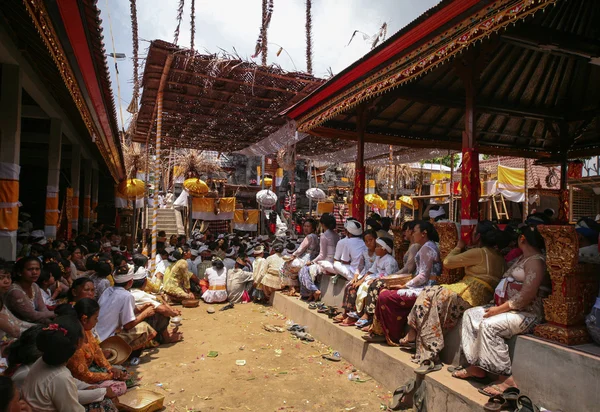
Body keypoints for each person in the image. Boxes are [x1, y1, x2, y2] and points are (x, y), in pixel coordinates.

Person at [454, 224, 548, 396]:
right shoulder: (522, 259)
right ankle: (476, 366)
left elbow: (526, 296)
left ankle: (504, 378)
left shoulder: (536, 262)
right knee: (470, 315)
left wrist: (498, 310)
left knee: (489, 325)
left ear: (522, 239)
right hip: (506, 309)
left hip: (526, 313)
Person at [401, 221, 508, 368]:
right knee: (430, 294)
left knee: (430, 297)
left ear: (478, 237)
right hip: (482, 294)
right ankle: (418, 338)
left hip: (469, 291)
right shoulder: (499, 257)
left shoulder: (479, 252)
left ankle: (428, 349)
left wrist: (458, 247)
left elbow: (448, 262)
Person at [363, 221, 441, 337]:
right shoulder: (426, 246)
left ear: (423, 233)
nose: (413, 234)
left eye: (415, 231)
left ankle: (387, 333)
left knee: (385, 295)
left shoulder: (427, 248)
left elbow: (423, 276)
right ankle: (379, 329)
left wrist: (405, 285)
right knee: (384, 292)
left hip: (426, 287)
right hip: (421, 284)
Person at [21, 317, 87, 411]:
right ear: (79, 342)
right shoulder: (61, 376)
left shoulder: (41, 360)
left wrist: (89, 388)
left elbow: (67, 387)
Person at [66, 299, 128, 395]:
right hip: (80, 380)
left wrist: (110, 368)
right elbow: (85, 376)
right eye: (95, 318)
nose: (97, 321)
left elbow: (97, 351)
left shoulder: (86, 330)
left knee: (122, 371)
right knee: (118, 385)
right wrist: (111, 375)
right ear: (84, 319)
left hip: (92, 369)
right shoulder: (76, 342)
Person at [96, 266, 157, 351]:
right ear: (130, 282)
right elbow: (128, 325)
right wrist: (145, 313)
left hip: (97, 337)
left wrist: (140, 309)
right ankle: (123, 353)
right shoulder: (126, 295)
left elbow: (118, 310)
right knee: (145, 328)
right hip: (107, 340)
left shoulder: (108, 290)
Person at [334, 229, 378, 325]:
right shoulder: (365, 252)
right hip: (364, 274)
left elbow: (373, 270)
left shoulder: (378, 253)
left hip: (373, 275)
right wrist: (355, 276)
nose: (368, 243)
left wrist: (361, 281)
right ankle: (346, 312)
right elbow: (360, 266)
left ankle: (354, 315)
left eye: (371, 240)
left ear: (375, 239)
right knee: (349, 286)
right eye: (366, 241)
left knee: (355, 289)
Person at [298, 213, 340, 301]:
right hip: (336, 262)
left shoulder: (324, 236)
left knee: (304, 269)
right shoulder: (337, 235)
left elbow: (322, 255)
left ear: (322, 224)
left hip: (327, 263)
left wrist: (312, 262)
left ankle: (313, 290)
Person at [5, 257, 55, 325]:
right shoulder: (15, 291)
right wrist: (55, 313)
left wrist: (53, 324)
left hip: (32, 324)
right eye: (30, 269)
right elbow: (33, 316)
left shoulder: (34, 286)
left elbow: (43, 309)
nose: (34, 272)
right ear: (19, 272)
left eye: (37, 269)